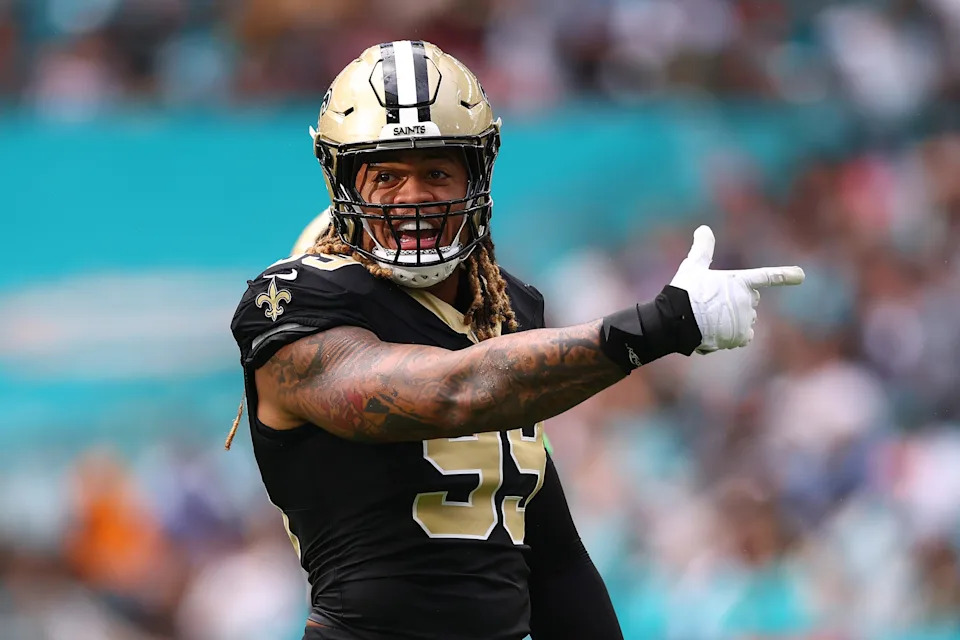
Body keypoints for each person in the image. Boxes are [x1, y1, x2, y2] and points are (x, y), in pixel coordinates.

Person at [228, 40, 804, 640]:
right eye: (386, 174)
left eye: (436, 171)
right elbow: (451, 392)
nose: (414, 197)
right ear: (342, 178)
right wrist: (658, 326)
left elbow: (553, 559)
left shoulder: (504, 308)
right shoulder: (295, 302)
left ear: (478, 170)